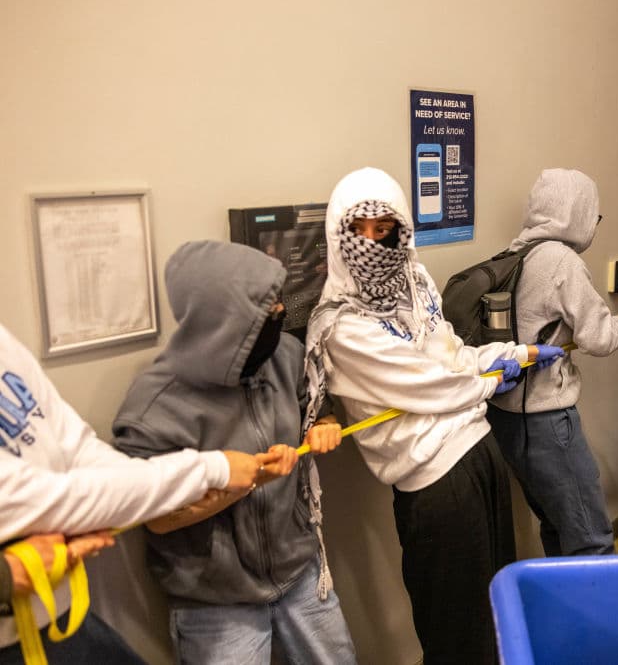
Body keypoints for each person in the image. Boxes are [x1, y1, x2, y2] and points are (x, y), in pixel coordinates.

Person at [303, 167, 563, 665]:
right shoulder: (341, 327)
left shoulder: (415, 279)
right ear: (340, 236)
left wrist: (512, 353)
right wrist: (487, 382)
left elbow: (448, 354)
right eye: (362, 231)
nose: (376, 242)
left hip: (480, 453)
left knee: (493, 609)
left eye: (387, 228)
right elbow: (427, 383)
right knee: (454, 630)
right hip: (436, 484)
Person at [112, 241, 357, 665]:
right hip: (215, 599)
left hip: (299, 568)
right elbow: (157, 519)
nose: (280, 315)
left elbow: (318, 409)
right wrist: (240, 483)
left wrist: (324, 427)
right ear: (222, 319)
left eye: (279, 302)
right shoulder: (155, 406)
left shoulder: (285, 357)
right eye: (266, 311)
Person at [0, 322, 264, 663]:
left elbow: (75, 445)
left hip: (61, 617)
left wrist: (158, 494)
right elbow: (50, 500)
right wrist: (211, 471)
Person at [486, 168, 618, 557]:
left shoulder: (514, 253)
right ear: (579, 214)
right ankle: (597, 618)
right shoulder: (561, 261)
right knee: (592, 538)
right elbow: (598, 338)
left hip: (504, 418)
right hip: (547, 422)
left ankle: (562, 615)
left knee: (556, 523)